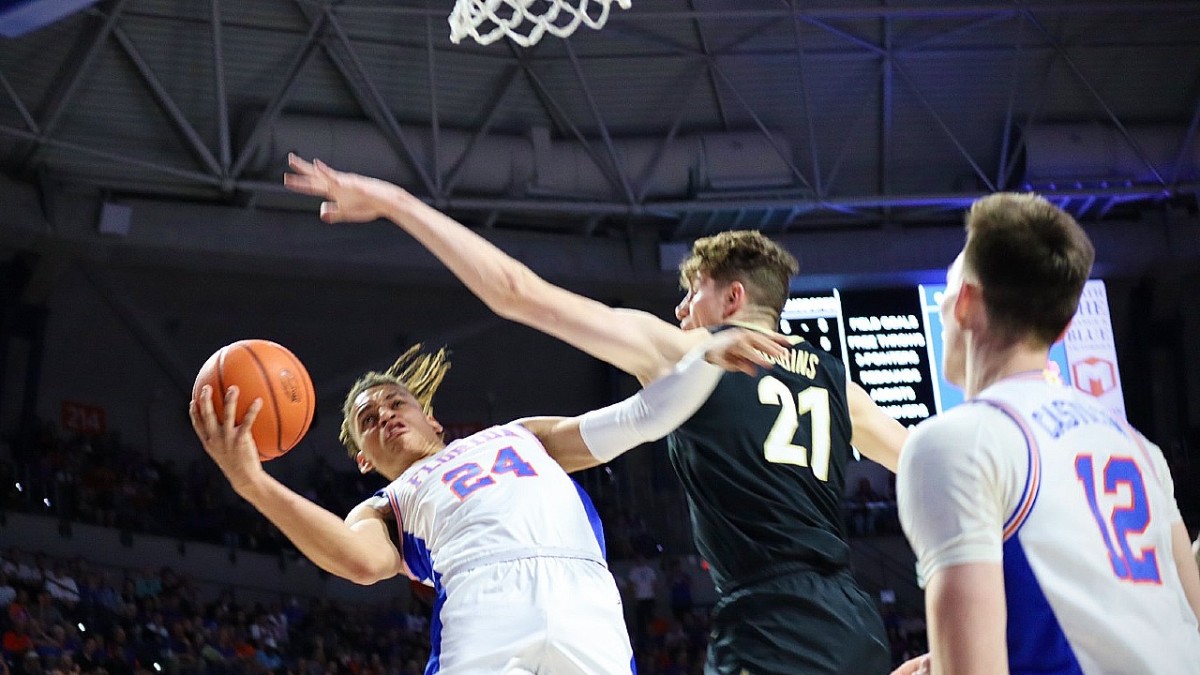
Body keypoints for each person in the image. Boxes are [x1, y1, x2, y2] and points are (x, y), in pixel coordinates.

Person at [283, 155, 909, 674]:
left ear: (732, 298)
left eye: (691, 296)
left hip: (770, 617)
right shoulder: (838, 383)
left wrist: (397, 203)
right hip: (850, 613)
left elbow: (515, 292)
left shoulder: (684, 352)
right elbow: (928, 465)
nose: (681, 312)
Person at [191, 329, 787, 675]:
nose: (385, 416)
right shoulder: (385, 503)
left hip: (586, 597)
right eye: (368, 421)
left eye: (395, 403)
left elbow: (636, 420)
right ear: (364, 459)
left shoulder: (519, 434)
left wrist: (705, 359)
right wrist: (252, 483)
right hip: (483, 600)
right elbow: (361, 563)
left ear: (431, 416)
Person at [893, 192, 1200, 674]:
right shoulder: (1140, 448)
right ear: (1063, 329)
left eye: (948, 292)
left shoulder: (954, 442)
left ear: (967, 303)